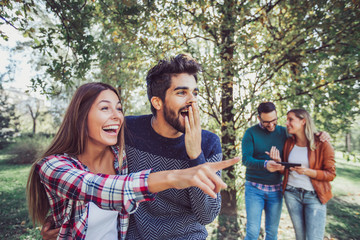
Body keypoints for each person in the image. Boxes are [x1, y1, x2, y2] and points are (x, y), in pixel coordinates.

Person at [27, 82, 239, 240]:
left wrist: (195, 155)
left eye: (119, 108)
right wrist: (174, 177)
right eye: (105, 108)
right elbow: (104, 189)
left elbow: (207, 213)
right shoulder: (53, 167)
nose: (117, 116)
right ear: (81, 117)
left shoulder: (122, 159)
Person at [124, 54, 224, 239]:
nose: (192, 100)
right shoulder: (129, 131)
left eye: (195, 92)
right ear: (157, 102)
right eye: (181, 93)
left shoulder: (209, 143)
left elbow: (207, 215)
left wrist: (196, 156)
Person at [241, 102, 330, 240]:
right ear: (259, 118)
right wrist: (265, 164)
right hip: (254, 188)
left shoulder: (284, 132)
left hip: (276, 189)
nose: (271, 125)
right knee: (252, 232)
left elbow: (304, 136)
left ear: (276, 115)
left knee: (272, 233)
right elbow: (246, 160)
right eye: (266, 122)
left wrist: (321, 134)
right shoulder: (250, 133)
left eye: (274, 121)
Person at [282, 109, 336, 240]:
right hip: (291, 194)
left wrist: (308, 172)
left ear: (303, 121)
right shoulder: (289, 142)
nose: (286, 123)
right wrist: (278, 163)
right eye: (286, 119)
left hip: (314, 196)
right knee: (300, 237)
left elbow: (331, 174)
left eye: (291, 119)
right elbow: (285, 169)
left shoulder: (322, 143)